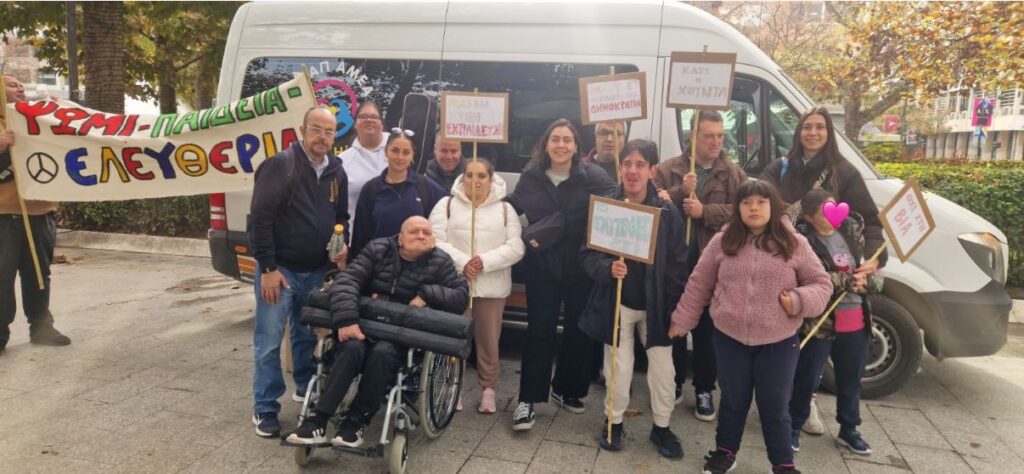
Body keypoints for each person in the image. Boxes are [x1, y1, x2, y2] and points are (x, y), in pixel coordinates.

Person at [668, 180, 831, 474]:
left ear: (773, 206)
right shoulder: (723, 241)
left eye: (760, 202)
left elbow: (822, 284)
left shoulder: (793, 243)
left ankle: (783, 463)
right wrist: (683, 320)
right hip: (729, 339)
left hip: (779, 342)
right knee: (732, 400)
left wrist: (798, 300)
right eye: (746, 203)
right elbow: (699, 284)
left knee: (775, 405)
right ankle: (725, 452)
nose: (753, 208)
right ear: (738, 208)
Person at [286, 216, 469, 447]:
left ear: (433, 239)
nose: (421, 236)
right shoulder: (378, 249)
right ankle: (317, 420)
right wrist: (347, 320)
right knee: (351, 348)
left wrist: (427, 294)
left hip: (401, 333)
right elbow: (346, 281)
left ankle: (356, 421)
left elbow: (461, 297)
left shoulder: (441, 261)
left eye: (426, 232)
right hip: (363, 323)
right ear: (400, 238)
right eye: (414, 232)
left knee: (383, 353)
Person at [760, 106, 886, 435]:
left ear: (829, 132)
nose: (812, 133)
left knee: (816, 349)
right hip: (783, 262)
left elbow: (872, 222)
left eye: (820, 127)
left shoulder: (844, 172)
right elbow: (760, 199)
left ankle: (810, 407)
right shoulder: (780, 168)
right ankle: (786, 404)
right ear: (798, 131)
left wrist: (874, 260)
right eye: (807, 127)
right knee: (788, 342)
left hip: (824, 274)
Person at [578, 140, 688, 458]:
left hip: (656, 307)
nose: (632, 171)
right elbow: (587, 254)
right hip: (618, 303)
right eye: (627, 163)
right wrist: (606, 268)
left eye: (640, 165)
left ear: (652, 170)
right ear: (619, 167)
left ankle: (662, 427)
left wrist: (675, 310)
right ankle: (613, 422)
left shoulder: (666, 212)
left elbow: (679, 263)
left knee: (663, 370)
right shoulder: (606, 207)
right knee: (617, 367)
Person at [506, 118, 616, 430]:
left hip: (581, 267)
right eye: (555, 139)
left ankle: (567, 389)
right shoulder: (532, 175)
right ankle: (527, 400)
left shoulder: (593, 176)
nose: (561, 145)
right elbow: (512, 206)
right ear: (546, 144)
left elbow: (619, 201)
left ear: (576, 146)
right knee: (538, 331)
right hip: (543, 266)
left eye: (567, 140)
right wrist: (482, 202)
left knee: (578, 332)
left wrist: (658, 197)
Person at [248, 106, 350, 438]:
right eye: (316, 129)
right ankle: (265, 407)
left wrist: (342, 242)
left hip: (314, 271)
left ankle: (305, 388)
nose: (323, 137)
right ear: (302, 130)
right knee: (269, 341)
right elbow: (259, 219)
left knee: (305, 336)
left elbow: (341, 217)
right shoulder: (281, 165)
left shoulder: (336, 171)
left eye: (329, 131)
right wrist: (268, 268)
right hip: (280, 270)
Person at [654, 110, 747, 422]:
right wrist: (680, 192)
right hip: (675, 263)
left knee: (708, 330)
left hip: (713, 265)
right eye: (708, 136)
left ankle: (705, 388)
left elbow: (745, 211)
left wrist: (705, 211)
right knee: (675, 324)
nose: (715, 142)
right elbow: (652, 206)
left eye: (719, 136)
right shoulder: (668, 169)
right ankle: (675, 382)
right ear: (692, 137)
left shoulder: (734, 174)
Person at [789, 189, 881, 456]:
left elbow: (873, 277)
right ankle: (793, 426)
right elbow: (807, 279)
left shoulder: (852, 236)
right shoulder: (802, 242)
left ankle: (849, 429)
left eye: (835, 208)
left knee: (850, 379)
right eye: (824, 212)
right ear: (809, 217)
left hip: (856, 320)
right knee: (807, 378)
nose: (833, 217)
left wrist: (867, 282)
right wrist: (846, 280)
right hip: (820, 322)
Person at [430, 158, 524, 413]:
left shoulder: (505, 210)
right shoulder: (446, 205)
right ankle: (453, 385)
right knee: (454, 338)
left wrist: (483, 262)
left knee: (489, 340)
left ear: (491, 179)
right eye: (470, 175)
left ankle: (488, 389)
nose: (475, 181)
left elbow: (516, 246)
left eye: (481, 176)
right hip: (455, 285)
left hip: (491, 286)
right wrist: (463, 263)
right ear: (462, 178)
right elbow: (435, 240)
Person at [0, 73, 71, 354]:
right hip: (5, 215)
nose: (19, 86)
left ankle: (42, 328)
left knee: (39, 275)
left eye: (20, 83)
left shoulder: (38, 118)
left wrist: (58, 112)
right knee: (2, 277)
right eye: (10, 84)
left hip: (40, 212)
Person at [350, 128, 447, 258]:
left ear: (412, 155)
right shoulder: (371, 189)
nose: (400, 157)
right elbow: (360, 235)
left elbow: (449, 209)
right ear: (386, 152)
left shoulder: (425, 186)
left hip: (418, 265)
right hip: (379, 264)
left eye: (406, 152)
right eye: (395, 150)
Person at [340, 101, 389, 231]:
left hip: (396, 233)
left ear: (381, 123)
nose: (369, 120)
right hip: (358, 233)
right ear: (355, 124)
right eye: (363, 116)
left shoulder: (398, 148)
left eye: (374, 116)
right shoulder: (343, 161)